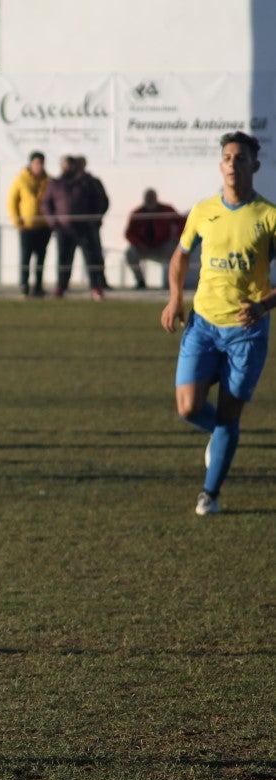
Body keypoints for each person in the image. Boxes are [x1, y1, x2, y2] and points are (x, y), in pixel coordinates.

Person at [161, 131, 276, 516]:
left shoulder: (268, 216)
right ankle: (220, 435)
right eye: (227, 157)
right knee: (189, 408)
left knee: (229, 414)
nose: (232, 164)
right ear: (220, 164)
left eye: (240, 158)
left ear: (254, 166)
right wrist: (176, 297)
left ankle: (209, 494)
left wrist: (264, 306)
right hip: (204, 324)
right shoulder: (203, 210)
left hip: (247, 333)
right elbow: (179, 257)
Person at [41, 154, 109, 300]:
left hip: (85, 228)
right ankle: (61, 286)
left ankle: (96, 287)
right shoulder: (55, 183)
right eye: (63, 164)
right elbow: (46, 204)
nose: (66, 168)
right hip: (64, 229)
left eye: (68, 164)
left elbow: (101, 201)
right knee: (64, 260)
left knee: (92, 258)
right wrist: (54, 223)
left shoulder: (87, 182)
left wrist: (93, 220)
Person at [6, 151, 51, 298]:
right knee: (26, 257)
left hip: (43, 227)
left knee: (41, 257)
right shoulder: (21, 179)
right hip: (27, 226)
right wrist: (17, 221)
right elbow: (12, 201)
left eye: (41, 163)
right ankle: (24, 285)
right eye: (37, 163)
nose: (39, 166)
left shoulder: (48, 180)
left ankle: (38, 286)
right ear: (31, 163)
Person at [124, 188, 183, 290]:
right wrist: (138, 243)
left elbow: (182, 222)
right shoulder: (137, 213)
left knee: (177, 252)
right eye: (148, 198)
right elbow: (128, 233)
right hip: (143, 247)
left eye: (152, 197)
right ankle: (140, 281)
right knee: (130, 253)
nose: (150, 200)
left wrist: (178, 238)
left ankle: (174, 283)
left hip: (162, 246)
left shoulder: (167, 210)